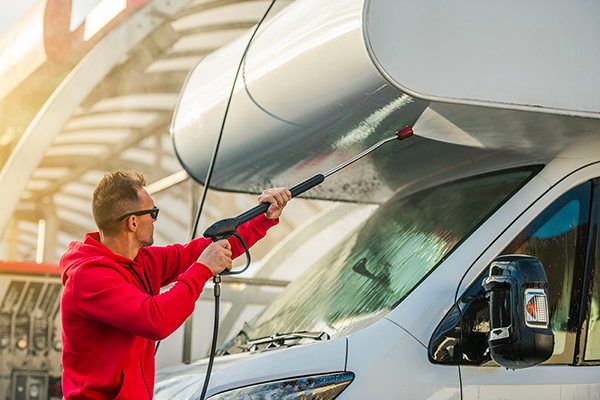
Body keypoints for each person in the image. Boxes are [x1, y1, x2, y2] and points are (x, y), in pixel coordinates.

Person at [59, 170, 291, 399]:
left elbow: (205, 250)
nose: (155, 219)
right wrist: (202, 269)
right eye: (152, 212)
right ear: (132, 222)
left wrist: (263, 217)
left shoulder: (142, 260)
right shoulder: (89, 278)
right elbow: (155, 320)